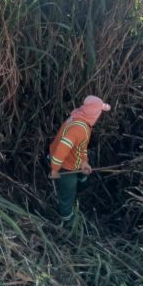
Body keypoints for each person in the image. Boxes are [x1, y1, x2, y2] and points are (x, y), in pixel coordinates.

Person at [49, 95, 111, 226]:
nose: (100, 115)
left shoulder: (80, 118)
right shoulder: (78, 129)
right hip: (64, 166)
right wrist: (55, 169)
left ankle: (80, 188)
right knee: (67, 195)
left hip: (73, 161)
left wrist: (84, 162)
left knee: (83, 175)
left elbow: (81, 146)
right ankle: (66, 221)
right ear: (94, 114)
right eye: (99, 112)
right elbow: (61, 150)